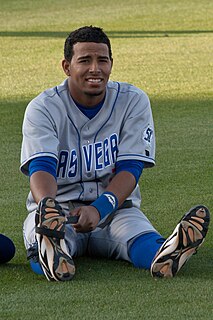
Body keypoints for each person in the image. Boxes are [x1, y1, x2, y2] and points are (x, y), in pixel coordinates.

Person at [20, 26, 210, 281]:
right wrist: (48, 209)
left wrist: (99, 209)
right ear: (66, 66)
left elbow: (131, 168)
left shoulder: (132, 101)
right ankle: (51, 249)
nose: (95, 69)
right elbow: (41, 167)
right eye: (85, 60)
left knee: (140, 238)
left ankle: (167, 253)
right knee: (46, 235)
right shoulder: (43, 108)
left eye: (102, 60)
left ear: (112, 63)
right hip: (60, 209)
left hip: (115, 208)